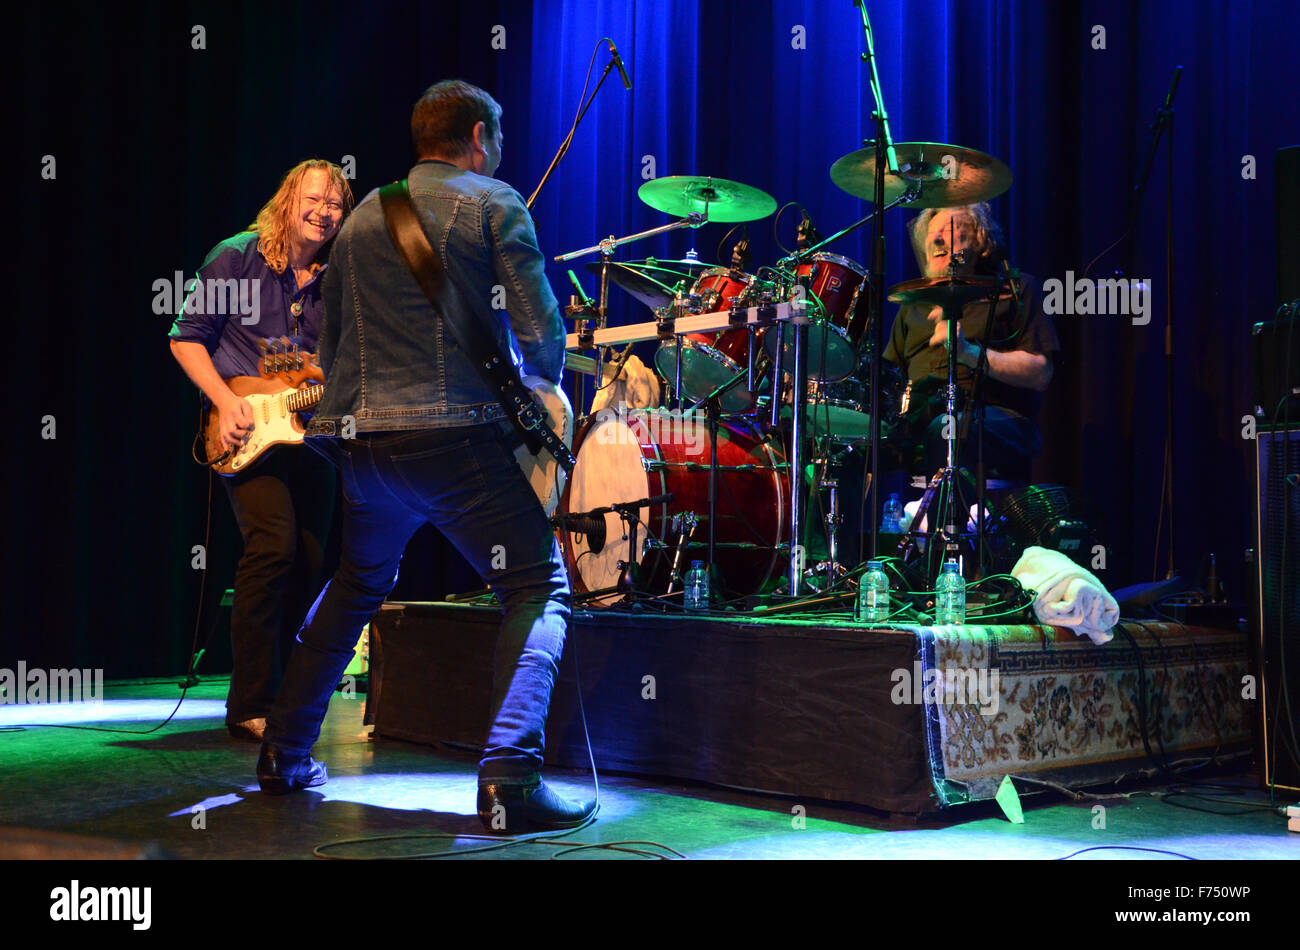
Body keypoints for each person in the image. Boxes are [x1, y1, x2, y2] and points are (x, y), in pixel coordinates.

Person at [256, 80, 594, 833]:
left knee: (354, 587)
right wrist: (531, 385)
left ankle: (283, 752)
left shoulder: (365, 214)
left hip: (364, 448)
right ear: (478, 137)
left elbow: (332, 350)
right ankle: (511, 780)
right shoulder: (494, 200)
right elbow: (542, 340)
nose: (499, 151)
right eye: (496, 139)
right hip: (455, 443)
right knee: (538, 587)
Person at [169, 160, 353, 741]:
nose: (325, 212)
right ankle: (248, 702)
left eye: (336, 204)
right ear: (288, 199)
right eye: (315, 199)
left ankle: (290, 702)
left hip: (312, 437)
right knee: (272, 547)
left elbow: (344, 365)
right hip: (244, 430)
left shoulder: (340, 279)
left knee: (310, 560)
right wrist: (224, 403)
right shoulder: (236, 257)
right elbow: (185, 339)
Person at [883, 203, 1059, 479]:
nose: (937, 238)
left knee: (946, 428)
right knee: (849, 450)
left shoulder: (1016, 289)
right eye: (931, 233)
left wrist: (967, 352)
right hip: (921, 419)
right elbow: (889, 376)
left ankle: (940, 521)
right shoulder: (913, 302)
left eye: (949, 229)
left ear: (981, 240)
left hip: (998, 419)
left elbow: (1041, 372)